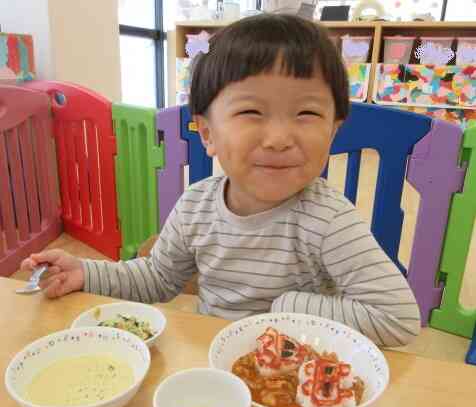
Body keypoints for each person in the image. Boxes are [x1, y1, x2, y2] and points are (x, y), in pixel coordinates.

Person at [21, 13, 420, 347]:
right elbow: (158, 278)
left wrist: (287, 308)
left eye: (307, 114)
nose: (279, 139)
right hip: (214, 359)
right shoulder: (196, 206)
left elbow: (398, 317)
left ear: (333, 131)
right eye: (251, 111)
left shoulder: (329, 221)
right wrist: (85, 273)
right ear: (207, 133)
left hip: (295, 371)